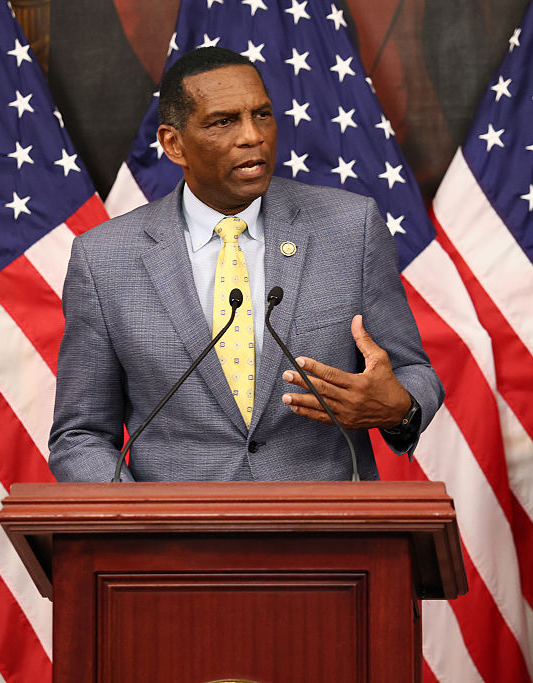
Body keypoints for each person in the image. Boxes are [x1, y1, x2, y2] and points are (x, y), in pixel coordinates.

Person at [48, 47, 443, 482]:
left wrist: (399, 409)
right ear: (173, 144)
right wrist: (139, 515)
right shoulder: (104, 259)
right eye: (224, 121)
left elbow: (412, 372)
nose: (253, 136)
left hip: (326, 519)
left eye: (262, 115)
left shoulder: (351, 228)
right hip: (177, 524)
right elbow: (80, 434)